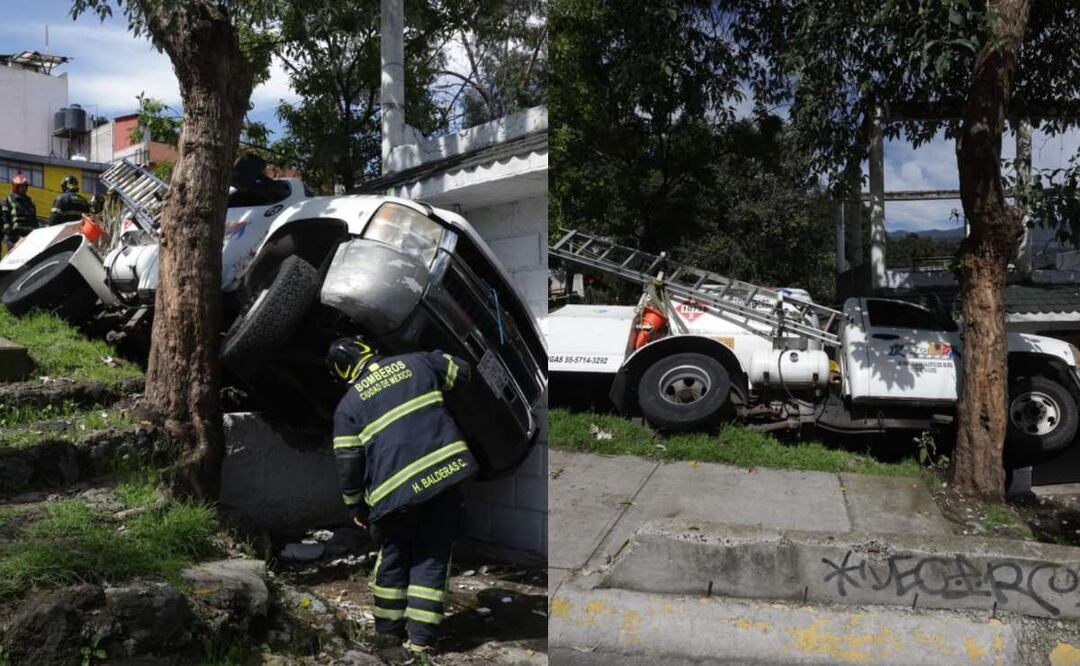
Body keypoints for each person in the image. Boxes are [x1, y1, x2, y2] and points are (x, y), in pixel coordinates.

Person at [327, 337, 475, 663]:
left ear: (343, 374)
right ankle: (420, 645)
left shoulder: (348, 407)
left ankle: (387, 635)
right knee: (432, 556)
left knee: (393, 558)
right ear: (368, 349)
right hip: (444, 477)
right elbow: (461, 371)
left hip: (394, 497)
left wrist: (356, 506)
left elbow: (348, 464)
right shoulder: (417, 361)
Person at [1, 174, 38, 250]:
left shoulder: (30, 201)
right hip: (16, 235)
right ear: (15, 187)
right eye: (21, 186)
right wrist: (9, 236)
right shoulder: (8, 199)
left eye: (24, 186)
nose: (23, 188)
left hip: (31, 234)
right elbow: (4, 217)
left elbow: (34, 219)